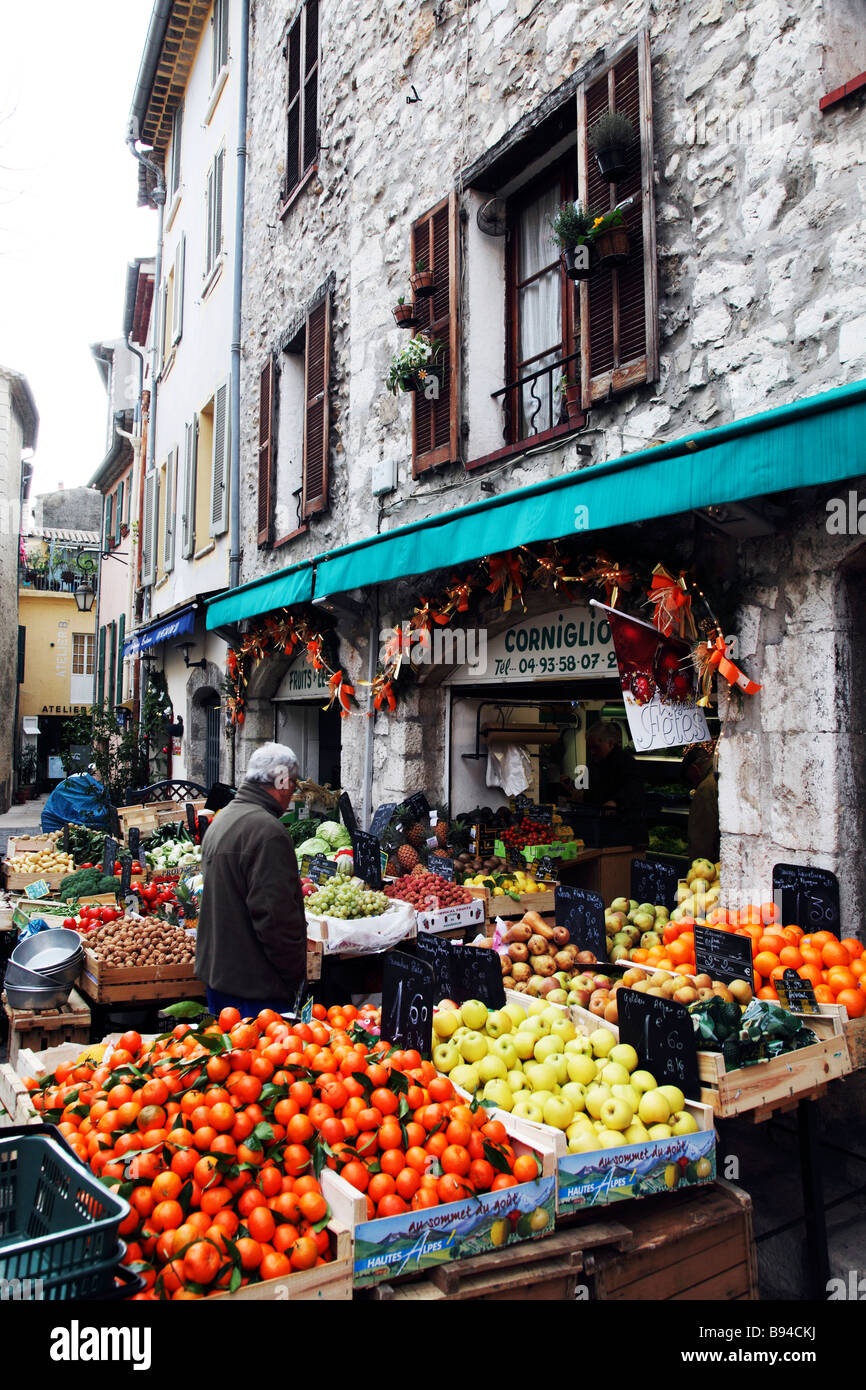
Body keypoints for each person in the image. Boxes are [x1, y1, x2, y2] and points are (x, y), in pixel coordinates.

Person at [196, 743, 307, 1018]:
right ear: (281, 782)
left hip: (221, 978)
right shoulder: (268, 832)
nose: (292, 793)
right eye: (293, 784)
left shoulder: (223, 818)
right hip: (255, 988)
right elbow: (275, 919)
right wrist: (296, 975)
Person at [584, 721, 648, 848]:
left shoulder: (626, 762)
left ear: (610, 743)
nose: (592, 752)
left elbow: (634, 790)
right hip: (604, 832)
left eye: (596, 747)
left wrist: (616, 802)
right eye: (589, 748)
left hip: (627, 835)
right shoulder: (595, 764)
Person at [682, 743, 720, 863]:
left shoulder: (706, 788)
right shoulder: (722, 772)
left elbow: (701, 841)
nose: (693, 784)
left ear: (694, 769)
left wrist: (696, 869)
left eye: (691, 779)